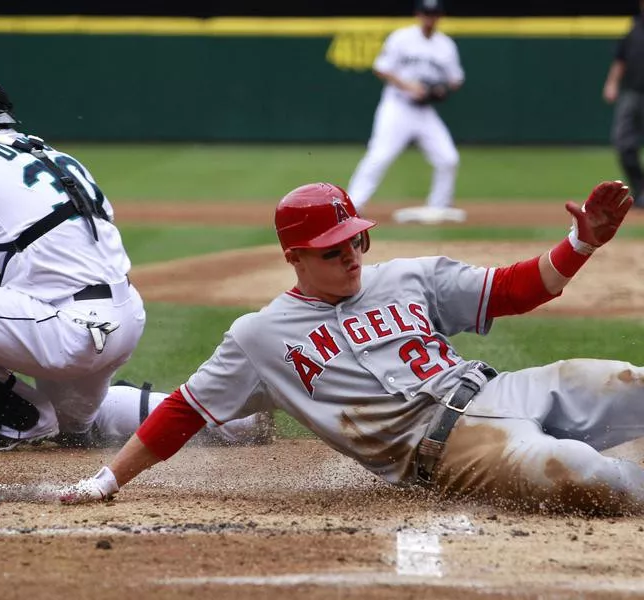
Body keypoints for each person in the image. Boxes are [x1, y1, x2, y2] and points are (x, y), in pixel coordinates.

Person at [59, 179, 644, 516]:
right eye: (333, 249)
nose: (352, 256)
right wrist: (107, 480)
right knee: (583, 473)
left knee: (629, 383)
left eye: (355, 240)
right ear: (294, 256)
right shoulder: (259, 337)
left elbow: (512, 290)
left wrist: (579, 244)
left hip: (501, 388)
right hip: (455, 451)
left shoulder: (408, 277)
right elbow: (185, 409)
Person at [0, 72, 271, 453]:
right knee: (79, 423)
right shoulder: (50, 153)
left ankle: (19, 417)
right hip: (123, 318)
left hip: (67, 331)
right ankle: (234, 420)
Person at [347, 0, 465, 225]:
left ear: (440, 16)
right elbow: (381, 68)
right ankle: (353, 205)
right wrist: (409, 86)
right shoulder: (401, 38)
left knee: (448, 158)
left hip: (424, 111)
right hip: (397, 108)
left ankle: (439, 205)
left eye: (434, 14)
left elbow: (455, 80)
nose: (430, 18)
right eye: (426, 13)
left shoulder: (446, 45)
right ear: (418, 14)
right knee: (379, 156)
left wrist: (440, 89)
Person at [603, 0, 644, 208]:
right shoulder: (634, 28)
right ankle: (641, 190)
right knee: (623, 142)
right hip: (633, 93)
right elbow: (620, 59)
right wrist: (611, 83)